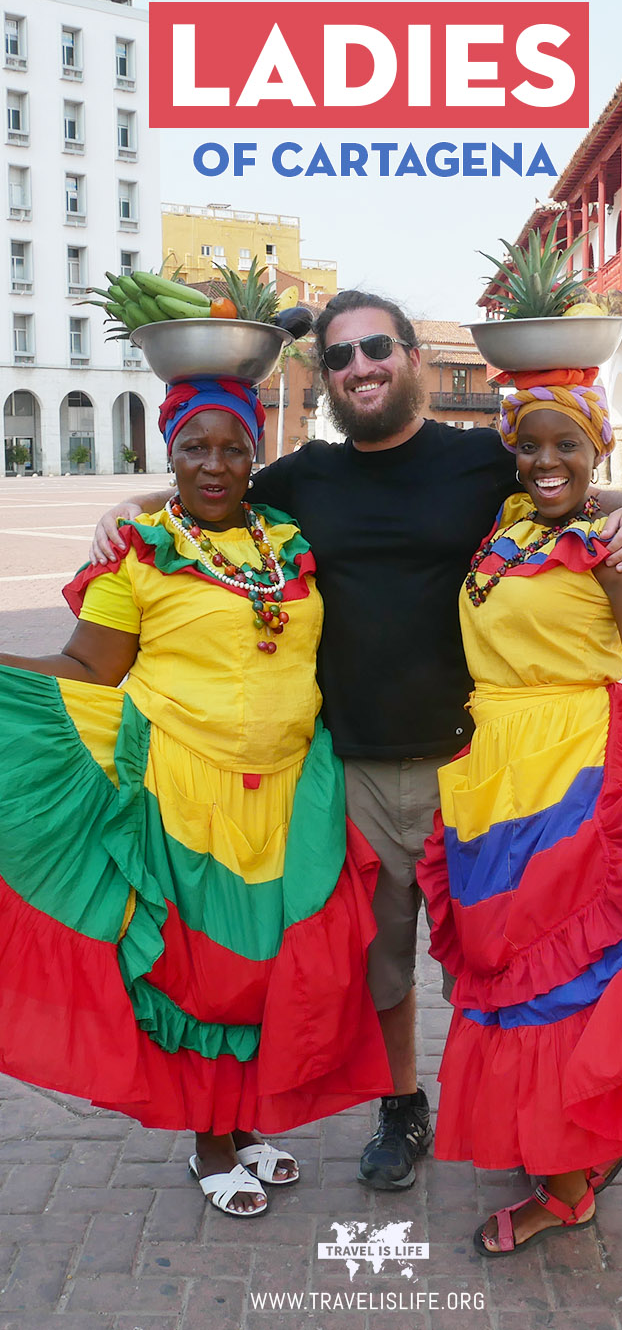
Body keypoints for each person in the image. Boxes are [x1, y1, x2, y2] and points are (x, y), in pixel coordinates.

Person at [90, 291, 622, 1190]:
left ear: (413, 362)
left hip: (480, 765)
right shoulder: (304, 476)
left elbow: (568, 476)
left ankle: (545, 1116)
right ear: (325, 377)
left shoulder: (482, 458)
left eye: (377, 349)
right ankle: (403, 1108)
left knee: (503, 953)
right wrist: (130, 504)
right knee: (377, 962)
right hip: (351, 767)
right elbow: (209, 485)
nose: (360, 366)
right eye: (342, 356)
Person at [0, 376, 390, 1218]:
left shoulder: (287, 539)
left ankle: (244, 1124)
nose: (214, 466)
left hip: (290, 791)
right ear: (167, 453)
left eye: (233, 448)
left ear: (256, 455)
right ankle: (209, 1142)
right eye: (194, 449)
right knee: (205, 976)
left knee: (266, 972)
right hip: (182, 789)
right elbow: (86, 669)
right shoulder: (137, 554)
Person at [416, 368, 622, 1255]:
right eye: (531, 444)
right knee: (503, 962)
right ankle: (566, 1141)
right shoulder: (509, 528)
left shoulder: (612, 549)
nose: (547, 461)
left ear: (598, 451)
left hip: (575, 771)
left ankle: (566, 1184)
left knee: (550, 977)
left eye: (569, 445)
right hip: (494, 771)